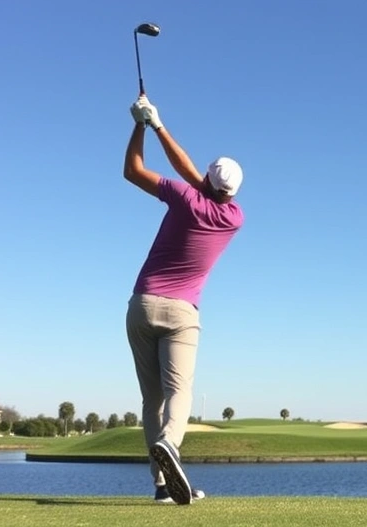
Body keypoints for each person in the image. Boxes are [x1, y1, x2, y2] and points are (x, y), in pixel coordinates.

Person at [122, 93, 244, 505]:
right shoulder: (233, 218)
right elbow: (197, 178)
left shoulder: (182, 196)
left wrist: (145, 123)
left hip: (141, 305)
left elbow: (133, 171)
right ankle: (171, 445)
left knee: (151, 399)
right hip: (182, 313)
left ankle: (161, 486)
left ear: (207, 181)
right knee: (180, 392)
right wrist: (156, 124)